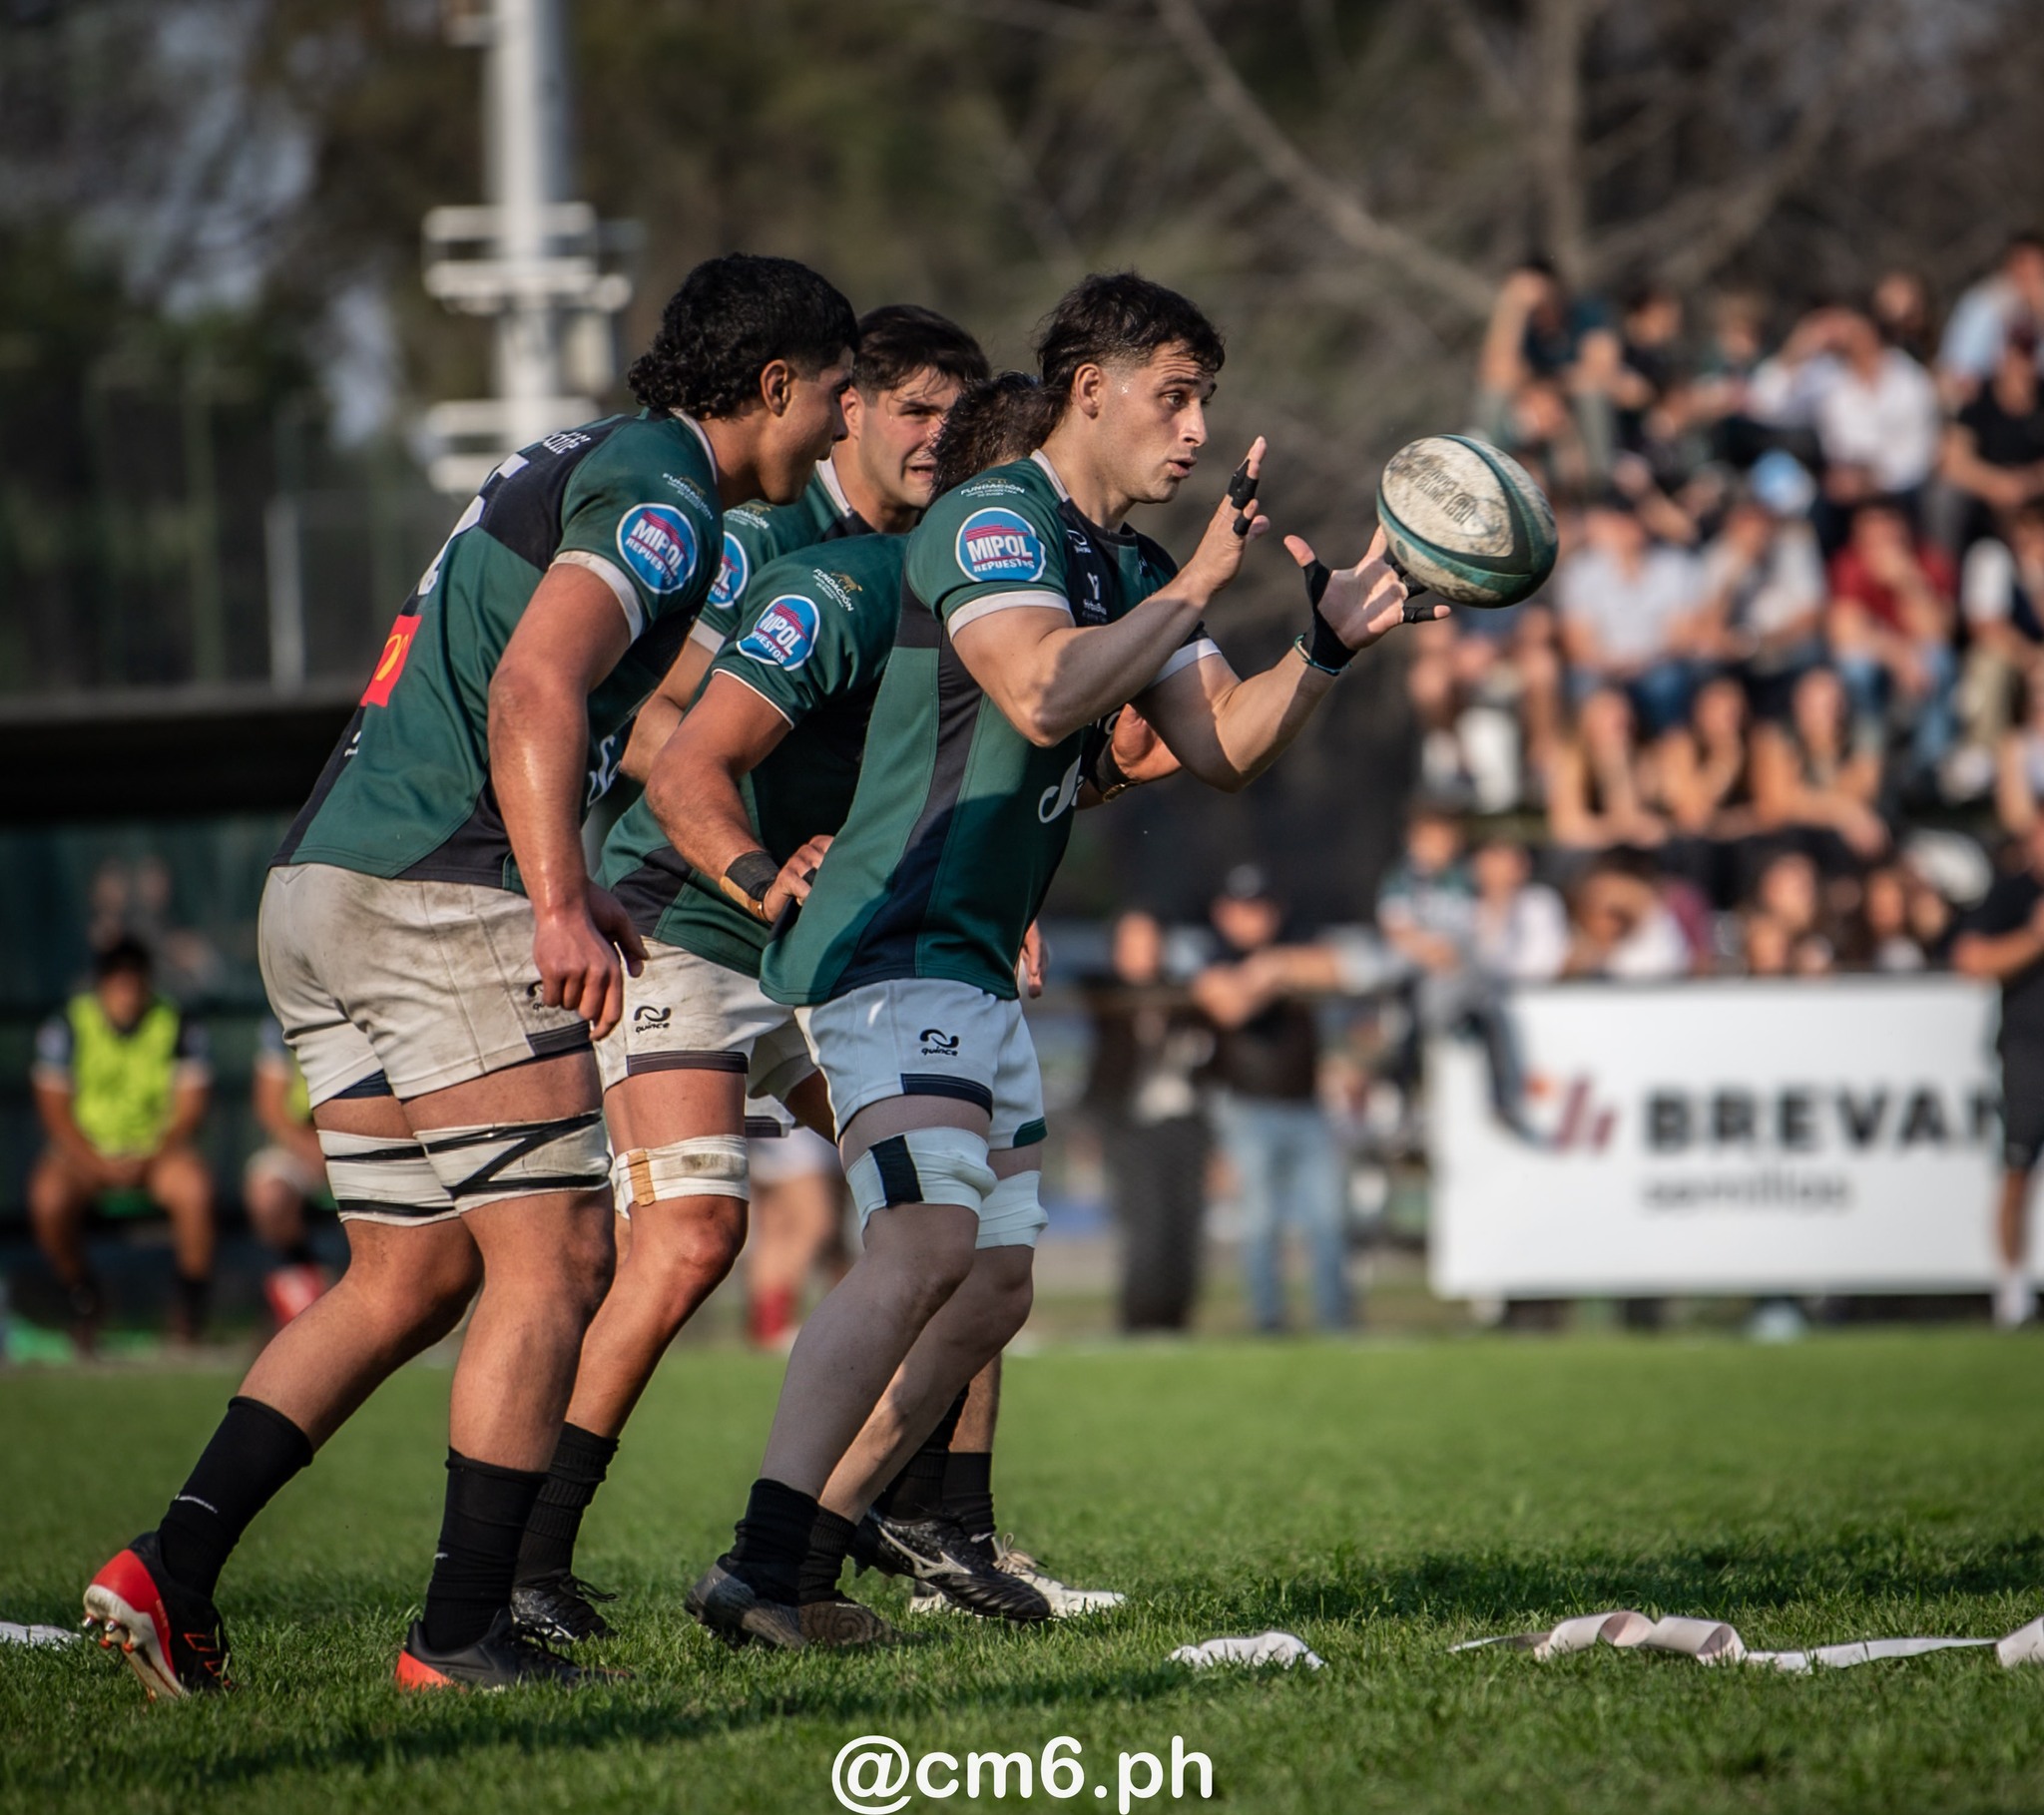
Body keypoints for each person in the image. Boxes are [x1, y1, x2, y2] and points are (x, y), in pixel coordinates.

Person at [80, 253, 858, 1699]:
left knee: (412, 1266)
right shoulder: (671, 494)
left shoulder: (585, 452)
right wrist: (560, 897)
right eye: (836, 394)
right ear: (772, 385)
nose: (839, 425)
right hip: (442, 894)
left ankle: (167, 1568)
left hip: (319, 884)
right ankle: (459, 1631)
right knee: (557, 1256)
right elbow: (533, 686)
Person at [672, 270, 1436, 1650]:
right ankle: (759, 1562)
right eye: (1175, 394)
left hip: (972, 962)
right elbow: (1038, 685)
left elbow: (1221, 747)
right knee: (919, 1246)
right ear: (1093, 387)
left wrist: (1319, 650)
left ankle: (794, 1557)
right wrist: (1203, 582)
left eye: (1206, 399)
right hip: (888, 940)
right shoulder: (992, 517)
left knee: (995, 1286)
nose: (1196, 428)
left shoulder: (1132, 568)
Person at [511, 314, 1080, 1648]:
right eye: (916, 410)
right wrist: (766, 854)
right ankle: (531, 1554)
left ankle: (942, 1523)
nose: (941, 437)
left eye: (960, 414)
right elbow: (663, 726)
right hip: (697, 921)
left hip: (842, 937)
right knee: (694, 1236)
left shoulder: (955, 564)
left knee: (956, 1205)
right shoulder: (764, 541)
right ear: (855, 410)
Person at [29, 936, 215, 1351]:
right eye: (118, 983)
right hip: (85, 1154)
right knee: (48, 1198)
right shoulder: (68, 1025)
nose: (127, 994)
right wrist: (97, 1163)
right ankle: (82, 1297)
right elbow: (55, 1113)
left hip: (156, 1152)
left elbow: (189, 1110)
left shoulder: (178, 1021)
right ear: (101, 985)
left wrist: (153, 1154)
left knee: (194, 1190)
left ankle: (189, 1304)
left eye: (135, 982)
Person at [1193, 866, 1350, 1336]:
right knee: (1259, 1224)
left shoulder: (1295, 942)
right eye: (1241, 909)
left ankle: (1336, 1321)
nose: (1251, 919)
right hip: (1247, 1108)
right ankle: (1268, 1321)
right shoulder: (1209, 953)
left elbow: (1338, 968)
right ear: (1223, 913)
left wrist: (1271, 968)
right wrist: (1273, 973)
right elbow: (1228, 1005)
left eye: (1259, 908)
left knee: (1328, 1219)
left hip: (1308, 1106)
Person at [1083, 910, 1214, 1334]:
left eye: (1149, 941)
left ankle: (1178, 1323)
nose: (1142, 952)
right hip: (1130, 1125)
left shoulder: (1184, 993)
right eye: (1131, 942)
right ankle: (1140, 1323)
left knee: (1185, 1227)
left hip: (1186, 1123)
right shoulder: (1101, 993)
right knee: (1146, 1228)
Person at [1949, 813, 2044, 1329]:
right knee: (2016, 1175)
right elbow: (1972, 961)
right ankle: (2013, 1294)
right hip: (2029, 1055)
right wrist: (2034, 936)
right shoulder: (2011, 896)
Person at [1825, 498, 1960, 780]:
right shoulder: (1849, 564)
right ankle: (1870, 753)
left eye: (1886, 528)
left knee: (1939, 662)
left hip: (1918, 659)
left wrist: (1909, 583)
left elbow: (1938, 633)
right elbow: (1845, 632)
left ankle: (1930, 766)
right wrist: (1900, 657)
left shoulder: (1931, 561)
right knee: (1856, 669)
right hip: (1885, 656)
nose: (1879, 539)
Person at [1555, 493, 1703, 735]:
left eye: (1633, 521)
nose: (1628, 530)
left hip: (1656, 664)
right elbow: (1578, 644)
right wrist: (1612, 666)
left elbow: (1681, 636)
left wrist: (1642, 662)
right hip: (1602, 668)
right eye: (1621, 523)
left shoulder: (1674, 566)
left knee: (1667, 684)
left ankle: (1669, 745)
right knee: (1594, 695)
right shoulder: (1581, 572)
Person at [244, 1019, 330, 1329]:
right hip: (303, 1146)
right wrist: (312, 1147)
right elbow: (271, 1108)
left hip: (367, 1146)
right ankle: (302, 1282)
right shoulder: (285, 1020)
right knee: (269, 1195)